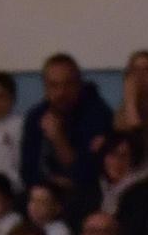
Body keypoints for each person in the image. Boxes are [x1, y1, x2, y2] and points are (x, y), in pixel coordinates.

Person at [20, 53, 115, 206]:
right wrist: (50, 183)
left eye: (68, 84)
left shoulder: (97, 114)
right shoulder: (36, 116)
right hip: (44, 193)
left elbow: (88, 174)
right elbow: (27, 170)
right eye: (54, 85)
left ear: (79, 84)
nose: (61, 92)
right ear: (45, 87)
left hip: (86, 195)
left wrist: (58, 138)